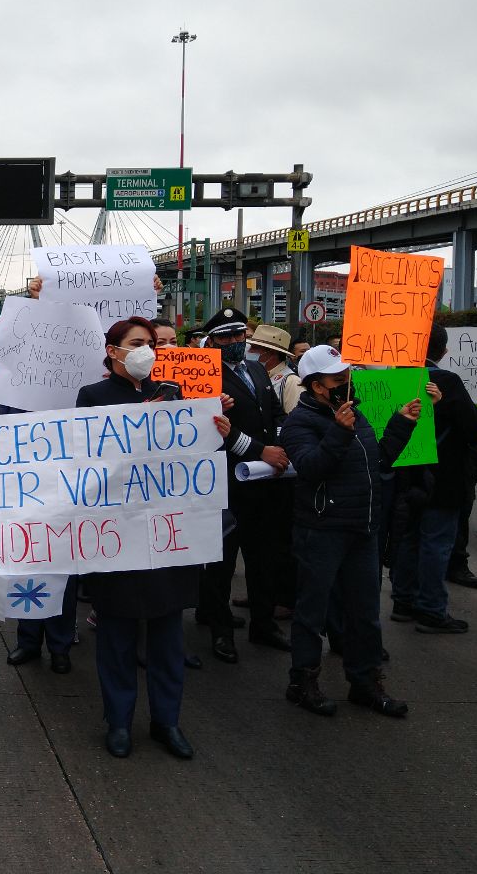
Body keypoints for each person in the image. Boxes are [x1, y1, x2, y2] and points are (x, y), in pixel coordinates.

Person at [76, 317, 232, 759]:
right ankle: (119, 721)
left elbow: (191, 460)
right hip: (119, 538)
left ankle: (167, 721)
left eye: (151, 344)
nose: (147, 350)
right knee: (118, 639)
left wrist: (212, 428)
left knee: (167, 639)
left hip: (168, 538)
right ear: (113, 351)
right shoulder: (93, 398)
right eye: (136, 343)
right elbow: (88, 461)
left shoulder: (175, 395)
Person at [279, 345, 421, 718]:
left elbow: (380, 460)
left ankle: (365, 682)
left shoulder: (354, 414)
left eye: (348, 376)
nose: (346, 383)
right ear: (316, 386)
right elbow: (311, 467)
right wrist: (339, 433)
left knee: (365, 612)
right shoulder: (299, 423)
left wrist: (402, 422)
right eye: (337, 379)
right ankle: (303, 682)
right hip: (322, 530)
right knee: (312, 610)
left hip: (362, 528)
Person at [390, 324, 477, 632]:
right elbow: (476, 430)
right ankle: (431, 609)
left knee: (410, 538)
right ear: (442, 350)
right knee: (436, 543)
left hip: (405, 473)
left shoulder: (392, 377)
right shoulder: (446, 381)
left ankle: (403, 601)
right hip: (443, 476)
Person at [199, 307, 293, 663]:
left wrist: (281, 444)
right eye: (226, 337)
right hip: (225, 482)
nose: (236, 342)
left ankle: (264, 624)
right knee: (222, 562)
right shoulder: (205, 376)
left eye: (240, 335)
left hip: (263, 482)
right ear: (213, 341)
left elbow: (274, 414)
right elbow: (210, 430)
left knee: (263, 557)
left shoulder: (256, 368)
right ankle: (220, 630)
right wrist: (259, 450)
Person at [247, 324, 301, 415]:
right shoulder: (255, 375)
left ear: (272, 353)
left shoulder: (292, 382)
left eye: (255, 348)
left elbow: (294, 421)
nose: (249, 351)